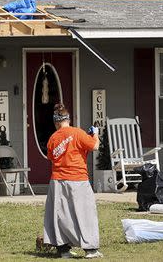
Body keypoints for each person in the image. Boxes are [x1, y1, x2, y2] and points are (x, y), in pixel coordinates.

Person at [43, 103, 103, 259]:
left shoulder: (53, 138)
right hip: (78, 179)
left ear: (56, 122)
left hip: (57, 181)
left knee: (60, 216)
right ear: (68, 119)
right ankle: (91, 250)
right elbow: (95, 146)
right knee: (85, 213)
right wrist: (95, 133)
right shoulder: (78, 133)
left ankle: (63, 250)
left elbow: (51, 157)